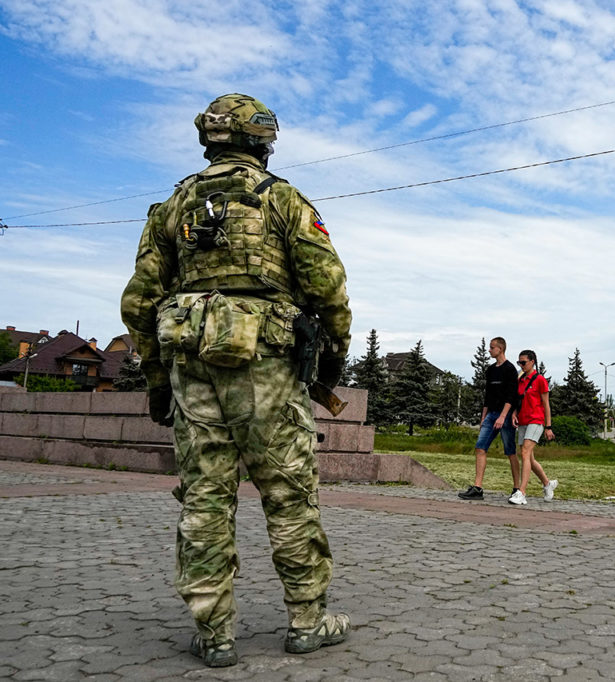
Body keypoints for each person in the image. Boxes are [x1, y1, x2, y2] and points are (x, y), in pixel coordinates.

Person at [121, 94, 352, 668]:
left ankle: (214, 633)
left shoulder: (173, 208)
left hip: (189, 362)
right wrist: (332, 360)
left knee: (204, 500)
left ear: (211, 142)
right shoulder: (283, 200)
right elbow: (329, 288)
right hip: (267, 365)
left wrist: (156, 379)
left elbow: (140, 302)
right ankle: (306, 621)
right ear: (263, 142)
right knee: (289, 493)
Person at [458, 337, 519, 500]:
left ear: (501, 349)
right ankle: (477, 488)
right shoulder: (490, 370)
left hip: (504, 415)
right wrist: (484, 416)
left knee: (510, 451)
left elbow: (512, 396)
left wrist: (503, 416)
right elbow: (488, 395)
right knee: (480, 447)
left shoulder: (510, 369)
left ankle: (517, 488)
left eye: (492, 348)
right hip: (491, 414)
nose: (489, 350)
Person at [509, 350, 557, 505]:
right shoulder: (520, 380)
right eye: (519, 363)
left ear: (532, 362)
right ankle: (547, 483)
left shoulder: (540, 380)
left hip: (536, 421)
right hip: (523, 420)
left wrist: (548, 426)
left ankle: (521, 492)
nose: (521, 365)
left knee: (524, 452)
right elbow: (519, 400)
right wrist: (514, 413)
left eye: (523, 362)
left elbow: (546, 405)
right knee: (528, 457)